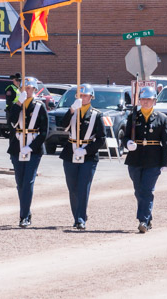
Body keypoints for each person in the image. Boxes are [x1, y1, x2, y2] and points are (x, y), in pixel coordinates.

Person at [123, 86, 167, 233]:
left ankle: (143, 220)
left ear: (154, 101)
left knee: (147, 190)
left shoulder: (161, 118)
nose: (145, 102)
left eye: (149, 99)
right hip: (135, 159)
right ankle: (147, 218)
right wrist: (127, 143)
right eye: (143, 99)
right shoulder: (133, 117)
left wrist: (166, 162)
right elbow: (125, 136)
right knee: (138, 191)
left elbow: (166, 142)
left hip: (153, 159)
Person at [59, 84, 106, 230]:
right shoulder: (73, 110)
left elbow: (101, 139)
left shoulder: (97, 115)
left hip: (88, 155)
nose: (83, 98)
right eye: (80, 95)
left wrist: (86, 151)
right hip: (70, 152)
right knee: (72, 187)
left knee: (83, 187)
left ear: (91, 97)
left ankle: (80, 219)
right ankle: (78, 216)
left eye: (86, 95)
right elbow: (63, 125)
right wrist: (72, 110)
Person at [7, 78, 48, 227]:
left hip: (33, 148)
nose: (27, 90)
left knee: (28, 181)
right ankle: (26, 210)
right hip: (17, 147)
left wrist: (31, 147)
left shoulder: (39, 106)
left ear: (35, 90)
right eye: (24, 87)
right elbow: (11, 122)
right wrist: (19, 104)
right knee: (20, 182)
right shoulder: (17, 104)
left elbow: (44, 131)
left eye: (30, 88)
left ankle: (24, 216)